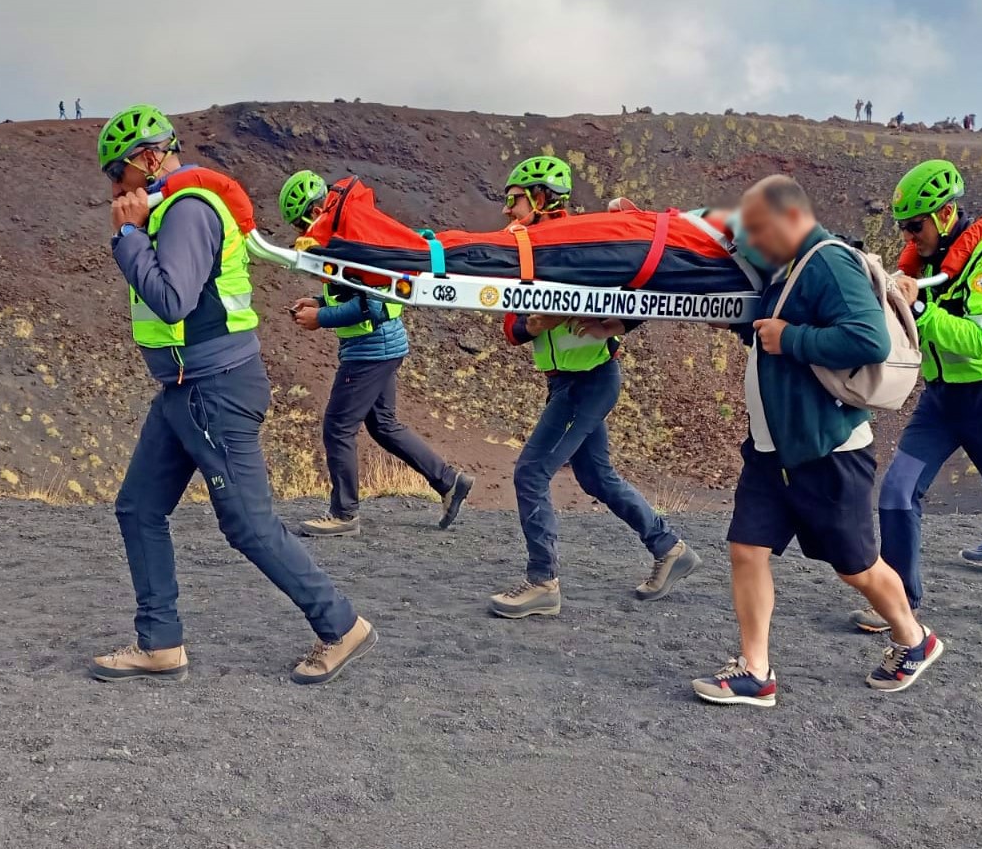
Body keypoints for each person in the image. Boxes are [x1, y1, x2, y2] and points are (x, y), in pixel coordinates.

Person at [90, 104, 376, 685]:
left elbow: (173, 300)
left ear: (145, 160)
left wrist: (126, 235)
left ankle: (341, 625)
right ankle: (159, 642)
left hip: (214, 388)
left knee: (247, 523)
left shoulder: (188, 211)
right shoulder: (165, 211)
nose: (113, 189)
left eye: (115, 174)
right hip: (181, 388)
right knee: (138, 508)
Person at [690, 175, 942, 707]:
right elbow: (776, 327)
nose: (752, 242)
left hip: (828, 452)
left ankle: (914, 639)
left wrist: (791, 339)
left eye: (758, 230)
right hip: (773, 449)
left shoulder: (828, 260)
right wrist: (750, 329)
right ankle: (755, 673)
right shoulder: (785, 269)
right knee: (746, 549)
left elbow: (867, 337)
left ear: (790, 218)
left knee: (858, 566)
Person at [488, 154, 700, 619]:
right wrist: (532, 323)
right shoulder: (525, 250)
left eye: (514, 200)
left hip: (590, 380)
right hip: (565, 382)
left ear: (541, 199)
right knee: (595, 476)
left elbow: (651, 281)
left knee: (530, 472)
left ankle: (542, 583)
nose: (507, 210)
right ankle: (669, 548)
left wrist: (619, 322)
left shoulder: (584, 242)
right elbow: (509, 328)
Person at [862, 160, 982, 634]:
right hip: (944, 400)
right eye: (905, 229)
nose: (911, 237)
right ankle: (901, 601)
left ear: (946, 214)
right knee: (896, 491)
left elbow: (976, 341)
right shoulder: (927, 260)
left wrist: (918, 309)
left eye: (916, 226)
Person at [277, 169, 474, 538]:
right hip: (382, 345)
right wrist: (318, 301)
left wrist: (321, 317)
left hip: (370, 349)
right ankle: (450, 481)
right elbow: (353, 293)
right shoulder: (345, 236)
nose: (303, 231)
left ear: (318, 207)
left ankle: (343, 514)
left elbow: (373, 306)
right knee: (383, 425)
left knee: (338, 428)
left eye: (304, 220)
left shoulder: (350, 237)